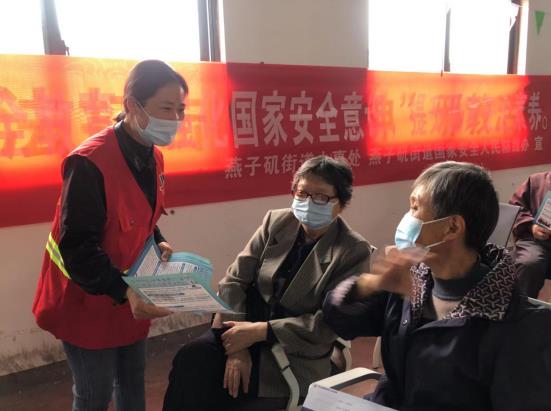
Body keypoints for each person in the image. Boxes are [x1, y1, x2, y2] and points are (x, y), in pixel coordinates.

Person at [323, 161, 551, 411]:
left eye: (415, 208)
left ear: (452, 227)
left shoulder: (516, 325)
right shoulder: (410, 281)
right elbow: (340, 321)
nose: (406, 218)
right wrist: (370, 284)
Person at [32, 60, 188, 411]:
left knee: (132, 382)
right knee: (94, 393)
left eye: (181, 110)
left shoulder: (153, 156)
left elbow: (139, 212)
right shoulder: (89, 162)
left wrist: (158, 239)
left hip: (130, 294)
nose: (176, 119)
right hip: (85, 297)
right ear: (132, 105)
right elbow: (77, 247)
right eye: (166, 109)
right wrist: (125, 291)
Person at [162, 155, 372, 411]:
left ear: (341, 202)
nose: (308, 203)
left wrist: (262, 331)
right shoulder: (277, 222)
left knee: (231, 397)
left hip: (293, 351)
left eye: (321, 197)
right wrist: (236, 347)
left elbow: (328, 325)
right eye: (302, 193)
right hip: (239, 326)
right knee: (191, 362)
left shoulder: (352, 250)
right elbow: (234, 281)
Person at [509, 172, 551, 298]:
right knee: (529, 262)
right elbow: (516, 208)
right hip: (535, 240)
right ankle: (520, 306)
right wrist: (531, 226)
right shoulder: (535, 181)